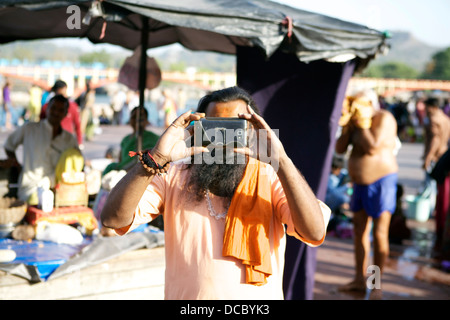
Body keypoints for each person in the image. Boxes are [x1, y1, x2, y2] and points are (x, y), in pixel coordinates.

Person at [101, 86, 330, 300]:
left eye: (234, 128)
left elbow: (314, 231)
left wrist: (282, 161)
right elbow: (113, 218)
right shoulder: (174, 174)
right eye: (215, 128)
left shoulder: (270, 175)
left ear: (252, 130)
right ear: (198, 130)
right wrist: (156, 158)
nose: (224, 141)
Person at [335, 89, 399, 300]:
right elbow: (340, 149)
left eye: (359, 104)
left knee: (379, 235)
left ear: (370, 104)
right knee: (359, 233)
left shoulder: (384, 118)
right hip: (360, 185)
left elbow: (372, 147)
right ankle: (359, 280)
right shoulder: (356, 122)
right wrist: (348, 125)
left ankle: (376, 285)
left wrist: (362, 123)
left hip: (382, 182)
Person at [4, 94, 80, 205]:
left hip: (57, 192)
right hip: (29, 189)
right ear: (47, 109)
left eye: (60, 110)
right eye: (53, 108)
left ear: (65, 113)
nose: (56, 113)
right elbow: (9, 146)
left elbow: (76, 163)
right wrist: (17, 165)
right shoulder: (29, 129)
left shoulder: (69, 139)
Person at [422, 97, 450, 254]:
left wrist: (428, 157)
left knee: (433, 191)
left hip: (436, 158)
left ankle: (431, 217)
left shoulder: (433, 119)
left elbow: (435, 139)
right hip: (444, 155)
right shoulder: (445, 118)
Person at [102, 106, 160, 176]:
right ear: (130, 120)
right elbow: (120, 160)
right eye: (134, 117)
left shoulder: (153, 138)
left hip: (140, 171)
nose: (137, 120)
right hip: (123, 170)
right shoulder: (125, 139)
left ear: (146, 120)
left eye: (140, 118)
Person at [40, 80, 83, 146]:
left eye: (61, 110)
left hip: (66, 142)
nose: (57, 113)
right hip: (49, 141)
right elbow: (41, 124)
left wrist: (79, 143)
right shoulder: (46, 107)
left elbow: (77, 125)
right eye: (54, 109)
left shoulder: (73, 106)